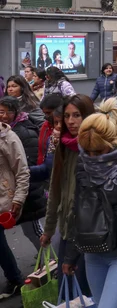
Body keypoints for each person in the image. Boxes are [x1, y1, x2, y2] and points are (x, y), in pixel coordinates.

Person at [61, 99, 117, 307]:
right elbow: (79, 212)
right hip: (93, 252)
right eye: (86, 151)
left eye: (98, 152)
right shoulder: (83, 164)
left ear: (113, 142)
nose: (91, 157)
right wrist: (71, 256)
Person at [39, 95, 97, 297]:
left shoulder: (97, 150)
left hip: (91, 235)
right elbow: (55, 190)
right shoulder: (62, 146)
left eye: (77, 115)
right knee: (66, 293)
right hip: (65, 229)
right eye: (67, 116)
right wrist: (48, 228)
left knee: (84, 293)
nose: (71, 121)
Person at [0, 96, 45, 250]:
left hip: (27, 189)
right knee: (29, 230)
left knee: (34, 229)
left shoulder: (20, 132)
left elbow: (27, 166)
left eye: (7, 112)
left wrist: (20, 194)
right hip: (14, 189)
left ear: (16, 112)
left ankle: (49, 259)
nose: (3, 116)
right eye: (0, 112)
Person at [0, 112, 30, 299]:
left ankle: (15, 280)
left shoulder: (7, 137)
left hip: (4, 199)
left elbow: (22, 171)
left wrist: (18, 198)